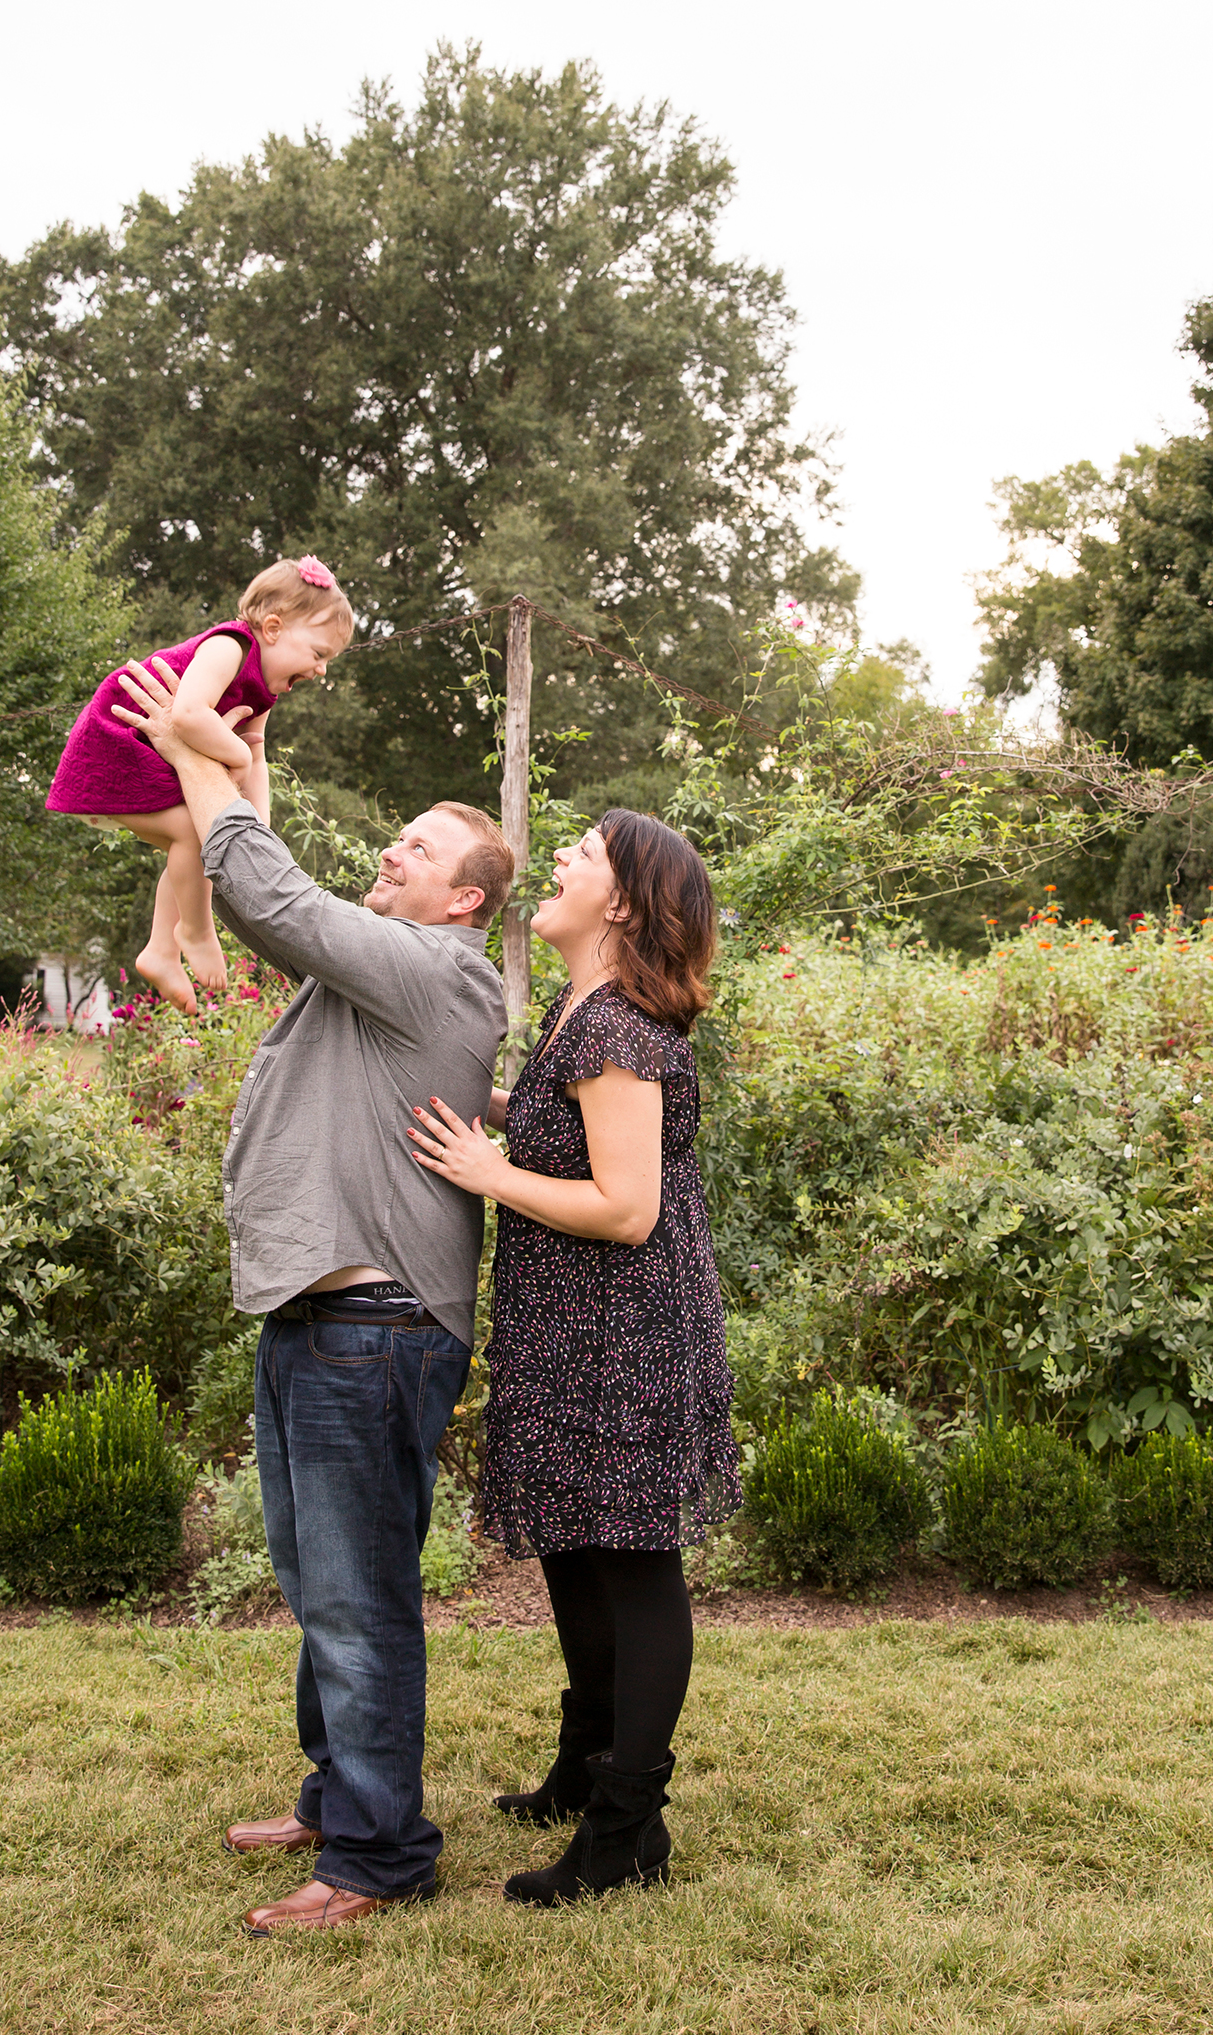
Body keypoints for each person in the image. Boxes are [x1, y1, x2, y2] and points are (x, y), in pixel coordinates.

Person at [110, 652, 512, 1938]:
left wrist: (187, 749)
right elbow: (271, 866)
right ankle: (340, 1797)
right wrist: (238, 759)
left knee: (356, 1595)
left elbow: (266, 894)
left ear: (465, 905)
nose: (392, 853)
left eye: (419, 849)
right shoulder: (376, 971)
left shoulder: (438, 975)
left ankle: (379, 1857)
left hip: (374, 1327)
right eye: (397, 836)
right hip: (324, 1318)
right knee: (319, 1580)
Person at [409, 809, 741, 1905]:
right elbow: (572, 1133)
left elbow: (627, 1206)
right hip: (575, 1327)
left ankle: (627, 1828)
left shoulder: (618, 1031)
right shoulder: (579, 1010)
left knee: (633, 1566)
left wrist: (484, 1169)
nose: (558, 858)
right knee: (573, 1551)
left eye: (584, 854)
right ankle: (581, 1766)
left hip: (624, 1333)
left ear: (628, 906)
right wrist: (492, 1110)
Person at [47, 555, 354, 1012]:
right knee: (196, 831)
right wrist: (229, 754)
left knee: (194, 832)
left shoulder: (263, 689)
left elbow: (254, 750)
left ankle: (160, 950)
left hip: (149, 752)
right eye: (318, 654)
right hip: (117, 739)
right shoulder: (230, 646)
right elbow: (189, 715)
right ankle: (192, 930)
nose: (321, 670)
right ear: (273, 628)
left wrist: (259, 824)